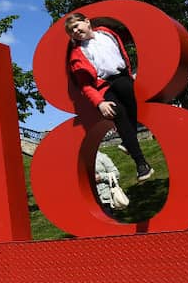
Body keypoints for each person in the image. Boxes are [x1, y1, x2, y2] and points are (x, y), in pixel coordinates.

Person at [65, 12, 154, 182]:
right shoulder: (77, 54)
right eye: (71, 30)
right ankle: (141, 164)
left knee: (127, 90)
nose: (75, 31)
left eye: (77, 26)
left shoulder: (107, 33)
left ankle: (128, 141)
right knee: (116, 111)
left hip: (122, 77)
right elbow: (85, 84)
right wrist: (99, 103)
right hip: (103, 85)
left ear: (87, 22)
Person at [94, 150, 121, 216]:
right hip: (88, 201)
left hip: (104, 200)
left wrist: (101, 177)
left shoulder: (101, 157)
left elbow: (116, 174)